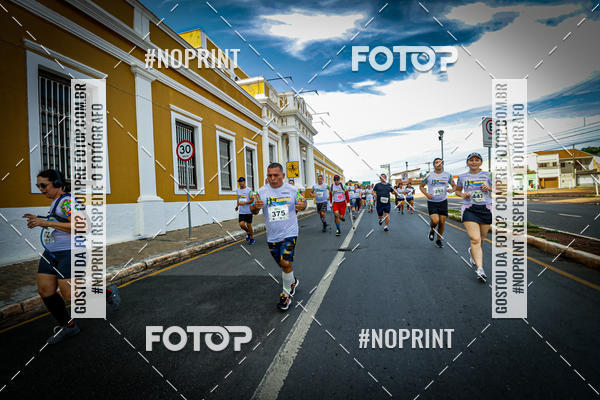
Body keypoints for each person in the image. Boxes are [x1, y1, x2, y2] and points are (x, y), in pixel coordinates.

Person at [23, 169, 120, 344]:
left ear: (57, 184)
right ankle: (68, 326)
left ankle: (107, 292)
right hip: (51, 252)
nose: (41, 189)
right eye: (38, 186)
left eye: (44, 185)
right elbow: (60, 222)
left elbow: (83, 226)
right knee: (45, 291)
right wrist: (40, 219)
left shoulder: (67, 202)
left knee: (69, 295)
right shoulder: (56, 202)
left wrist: (45, 222)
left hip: (71, 251)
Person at [251, 163, 307, 310]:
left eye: (276, 175)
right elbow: (253, 209)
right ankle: (292, 281)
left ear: (283, 175)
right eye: (269, 175)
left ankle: (285, 295)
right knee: (282, 264)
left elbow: (303, 201)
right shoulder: (261, 192)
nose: (272, 178)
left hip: (290, 232)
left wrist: (303, 205)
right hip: (272, 236)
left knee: (285, 262)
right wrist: (255, 207)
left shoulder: (292, 190)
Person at [455, 153, 493, 281]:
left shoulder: (488, 175)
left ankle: (472, 251)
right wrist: (462, 195)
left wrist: (489, 187)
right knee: (475, 239)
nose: (474, 162)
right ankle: (480, 269)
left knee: (481, 239)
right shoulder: (462, 176)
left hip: (485, 208)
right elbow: (458, 190)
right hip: (469, 208)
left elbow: (499, 189)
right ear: (467, 163)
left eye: (477, 160)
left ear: (481, 162)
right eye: (471, 160)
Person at [420, 158, 456, 248]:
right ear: (434, 165)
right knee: (435, 220)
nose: (439, 163)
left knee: (442, 222)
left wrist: (452, 190)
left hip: (443, 201)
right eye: (436, 162)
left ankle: (438, 240)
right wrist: (426, 194)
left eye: (440, 162)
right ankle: (432, 230)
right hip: (432, 202)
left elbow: (454, 185)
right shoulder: (428, 175)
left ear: (442, 164)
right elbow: (421, 186)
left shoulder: (448, 175)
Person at [235, 177, 255, 245]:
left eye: (241, 182)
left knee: (248, 225)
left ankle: (252, 238)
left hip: (248, 210)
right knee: (241, 224)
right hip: (242, 211)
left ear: (244, 182)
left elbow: (252, 200)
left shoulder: (249, 190)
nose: (240, 183)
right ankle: (248, 232)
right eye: (239, 182)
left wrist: (245, 203)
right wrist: (237, 206)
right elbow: (238, 199)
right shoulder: (237, 190)